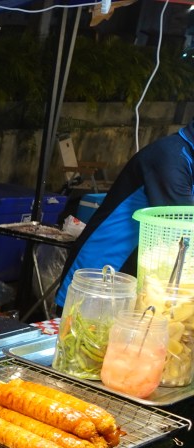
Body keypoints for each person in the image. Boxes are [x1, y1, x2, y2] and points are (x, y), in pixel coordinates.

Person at [55, 120, 194, 309]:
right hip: (102, 272)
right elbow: (184, 227)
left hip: (131, 280)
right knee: (79, 325)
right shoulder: (171, 157)